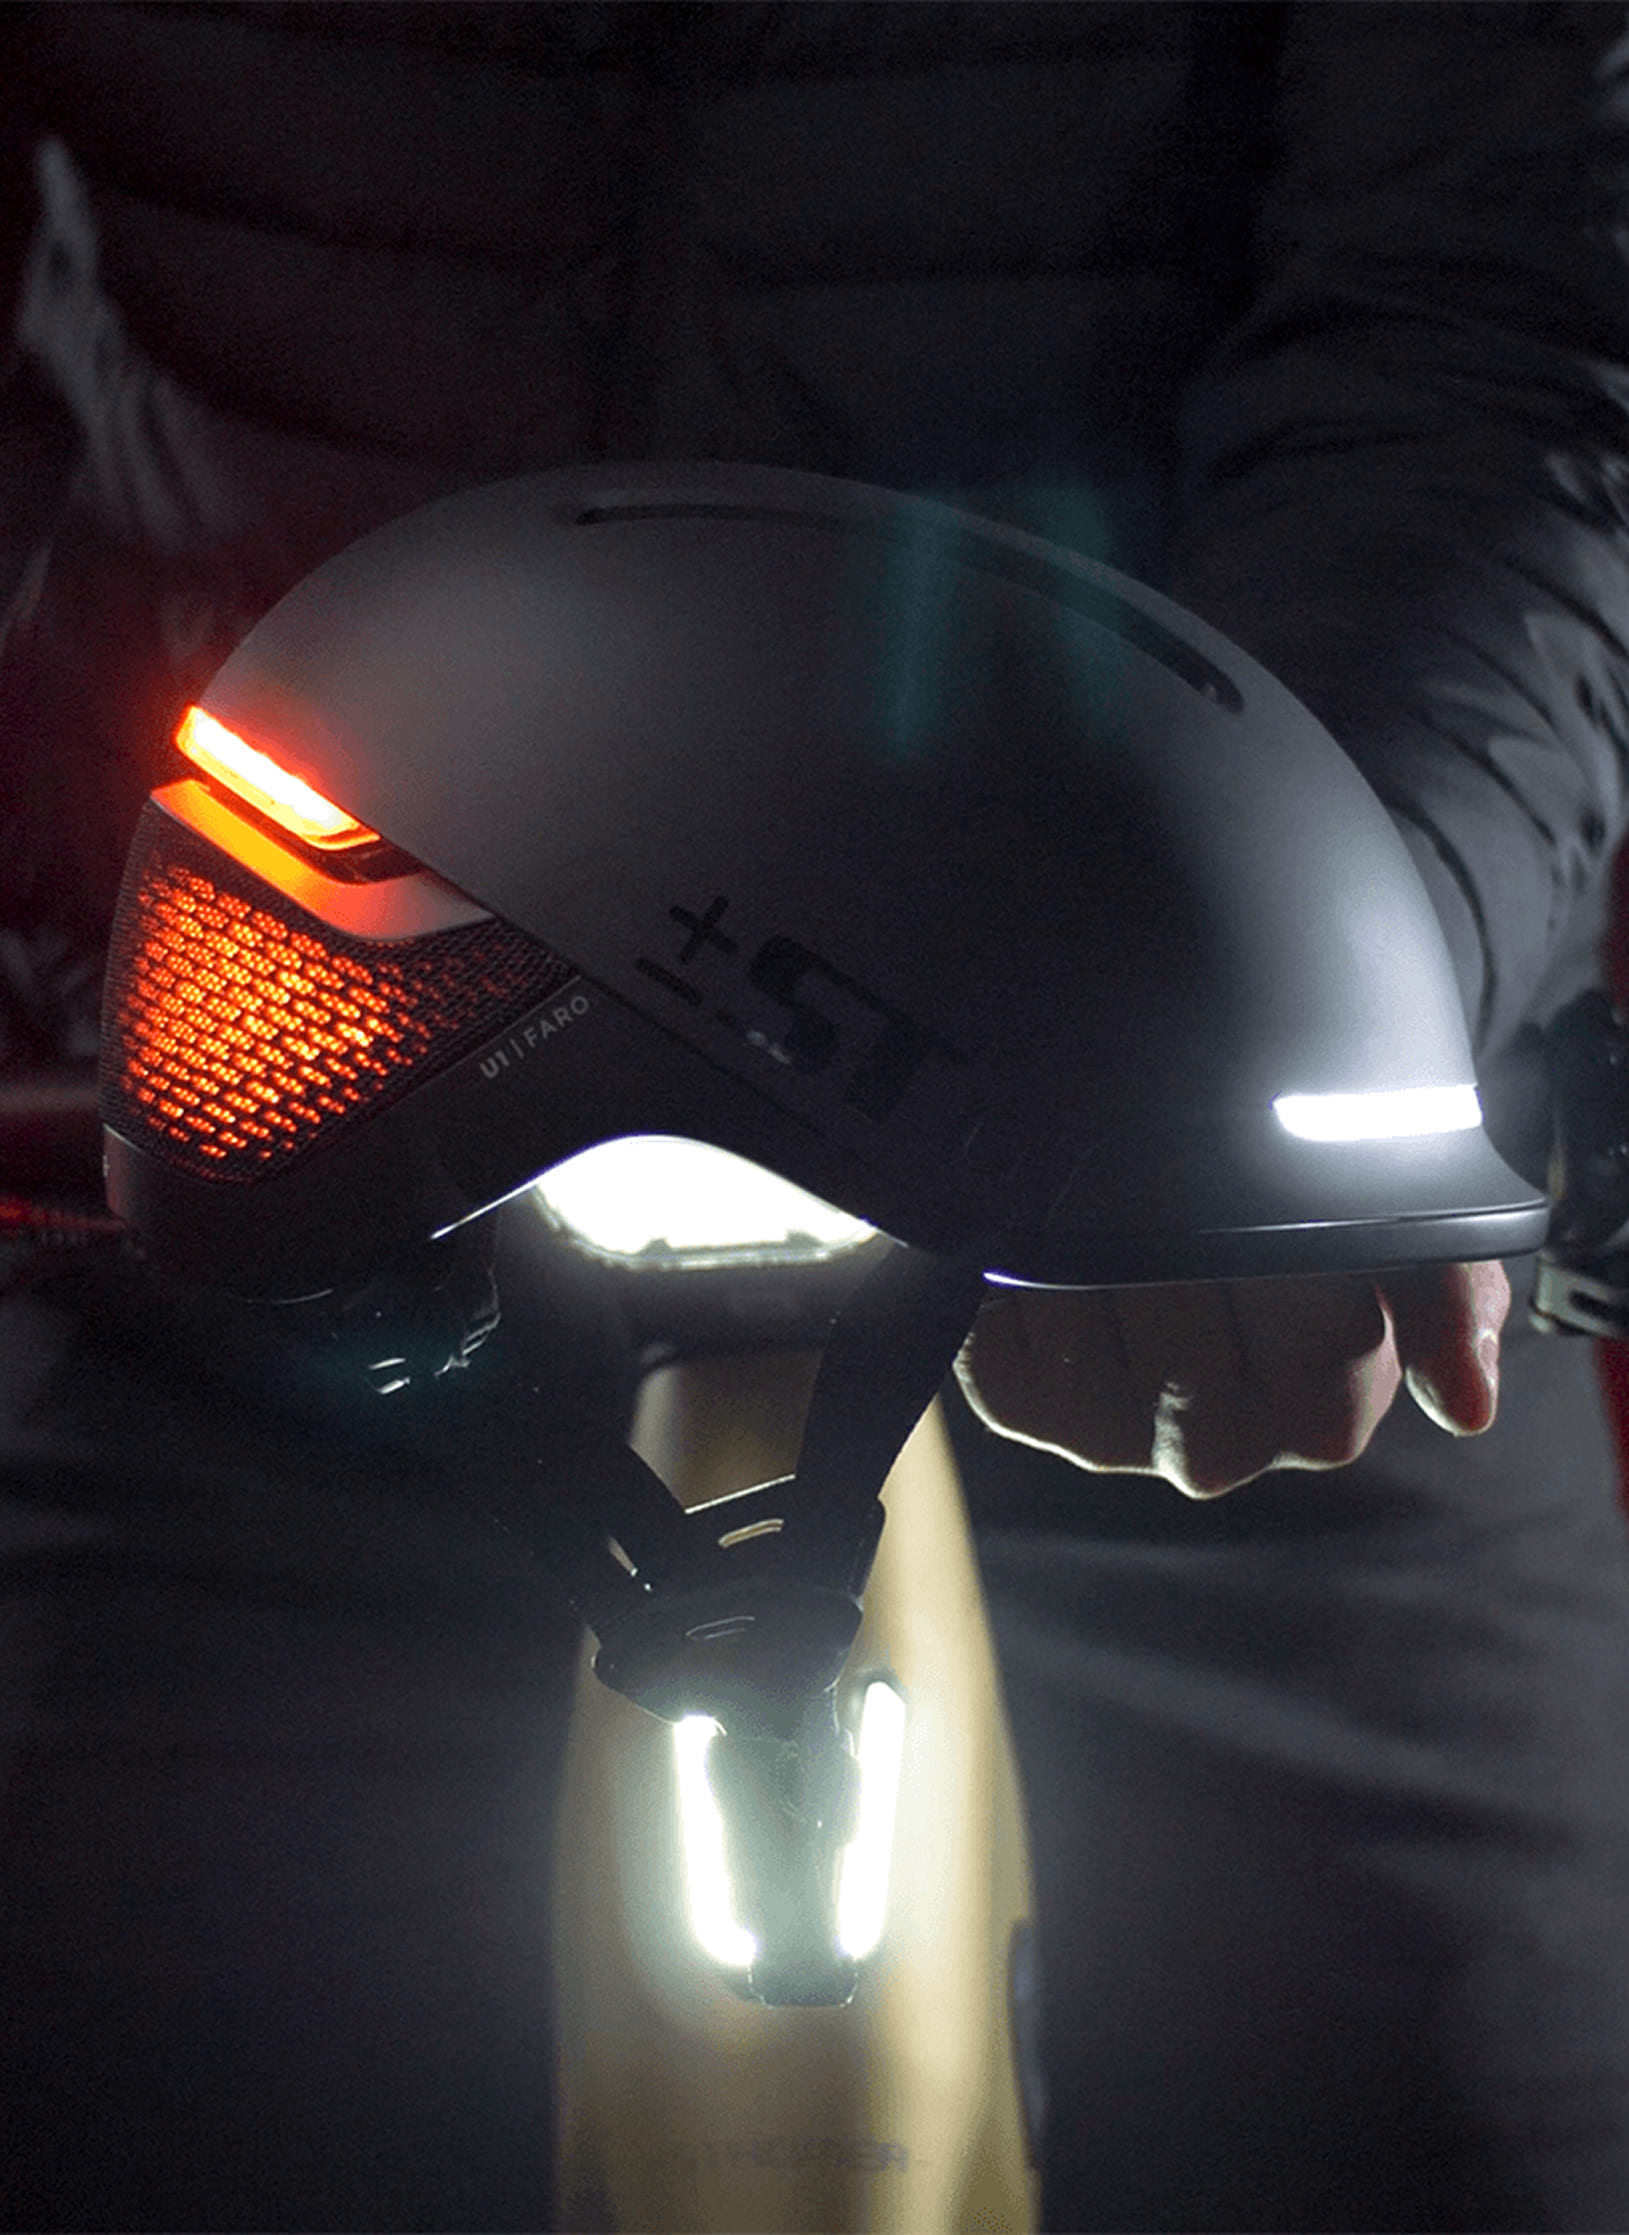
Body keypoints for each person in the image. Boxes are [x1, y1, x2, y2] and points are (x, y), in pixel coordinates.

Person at [1, 5, 1627, 2229]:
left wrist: (1338, 976)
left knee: (1473, 2130)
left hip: (1178, 1195)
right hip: (297, 1123)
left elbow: (1500, 306)